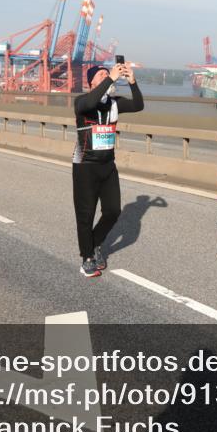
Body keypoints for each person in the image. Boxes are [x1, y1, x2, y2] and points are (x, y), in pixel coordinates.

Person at [73, 62, 144, 278]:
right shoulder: (82, 102)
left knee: (113, 211)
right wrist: (110, 78)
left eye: (108, 72)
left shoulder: (114, 103)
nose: (108, 74)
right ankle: (87, 259)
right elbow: (92, 100)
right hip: (85, 165)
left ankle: (93, 245)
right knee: (85, 214)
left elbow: (139, 105)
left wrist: (132, 81)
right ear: (93, 81)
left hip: (107, 165)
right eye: (102, 74)